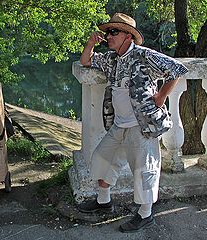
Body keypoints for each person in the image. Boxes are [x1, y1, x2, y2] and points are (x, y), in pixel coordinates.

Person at [78, 13, 188, 233]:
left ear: (128, 36)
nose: (109, 36)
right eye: (108, 32)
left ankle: (145, 214)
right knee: (102, 157)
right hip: (119, 124)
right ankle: (103, 201)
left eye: (114, 32)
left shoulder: (143, 55)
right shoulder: (111, 59)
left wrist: (161, 97)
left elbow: (176, 70)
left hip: (142, 125)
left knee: (144, 170)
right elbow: (86, 61)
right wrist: (91, 43)